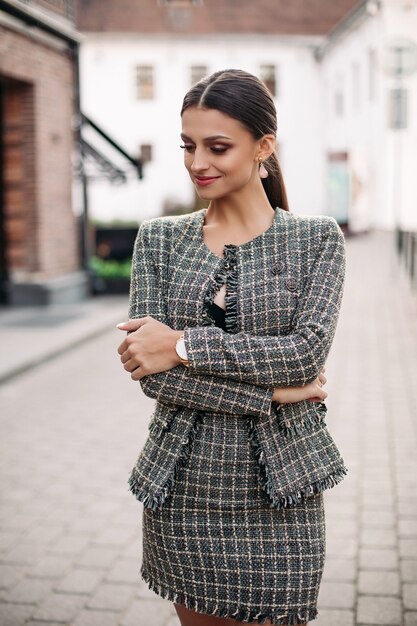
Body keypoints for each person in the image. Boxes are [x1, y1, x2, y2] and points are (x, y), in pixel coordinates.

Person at [116, 68, 347, 626]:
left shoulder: (317, 240)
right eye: (188, 146)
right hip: (184, 488)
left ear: (263, 146)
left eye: (217, 147)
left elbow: (304, 355)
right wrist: (275, 395)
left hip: (281, 488)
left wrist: (185, 345)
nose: (198, 162)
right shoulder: (159, 239)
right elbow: (151, 374)